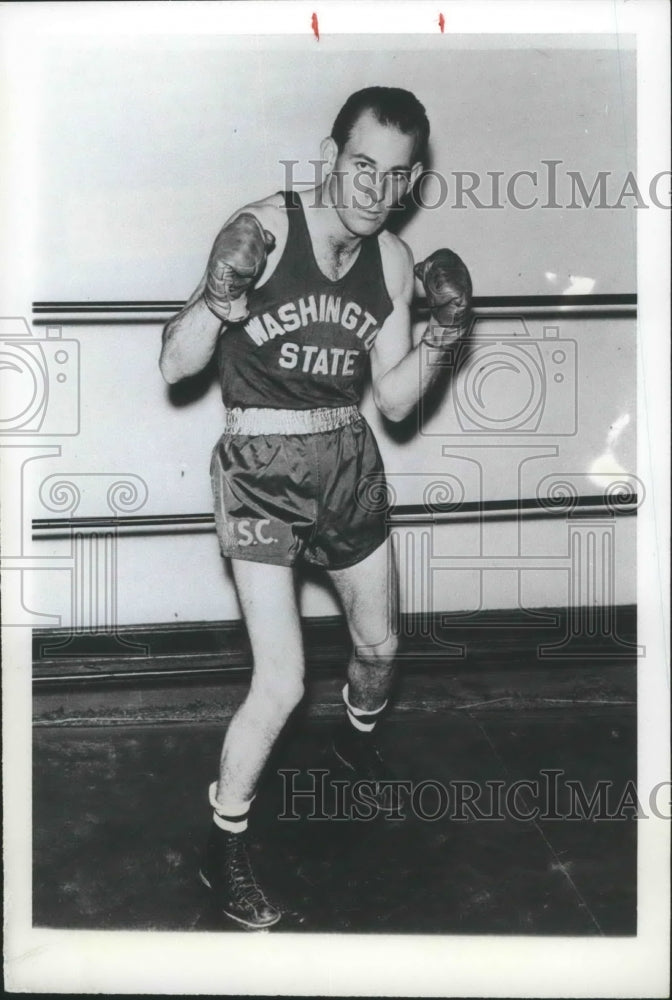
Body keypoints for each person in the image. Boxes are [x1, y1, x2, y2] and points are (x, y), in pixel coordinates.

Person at [159, 86, 472, 930]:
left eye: (395, 176)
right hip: (261, 465)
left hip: (347, 460)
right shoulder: (264, 228)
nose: (375, 190)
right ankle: (223, 842)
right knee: (285, 678)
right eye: (362, 166)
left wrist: (442, 338)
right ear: (332, 156)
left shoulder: (395, 262)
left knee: (381, 648)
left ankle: (354, 747)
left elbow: (397, 402)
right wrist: (220, 297)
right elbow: (176, 365)